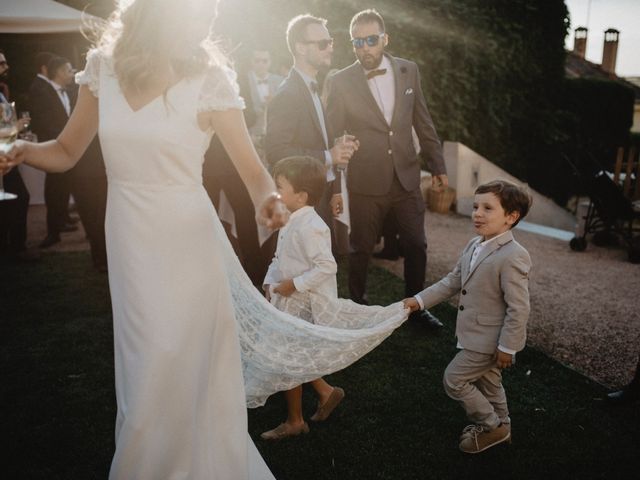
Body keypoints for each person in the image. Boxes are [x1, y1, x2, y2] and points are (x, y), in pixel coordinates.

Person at [1, 0, 408, 477]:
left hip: (189, 238)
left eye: (209, 17)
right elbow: (67, 151)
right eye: (196, 15)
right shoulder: (102, 69)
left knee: (184, 356)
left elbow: (254, 170)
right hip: (130, 235)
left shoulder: (210, 78)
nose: (205, 24)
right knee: (144, 364)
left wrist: (267, 200)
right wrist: (23, 149)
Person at [326, 9, 447, 330]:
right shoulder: (340, 81)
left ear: (384, 39)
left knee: (416, 244)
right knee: (361, 248)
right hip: (365, 180)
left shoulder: (409, 71)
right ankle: (356, 306)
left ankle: (416, 310)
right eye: (357, 42)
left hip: (406, 176)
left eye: (371, 40)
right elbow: (332, 135)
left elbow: (423, 119)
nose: (364, 48)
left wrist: (438, 165)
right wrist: (336, 184)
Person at [403, 180, 533, 454]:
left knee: (454, 380)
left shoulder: (513, 256)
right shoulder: (474, 244)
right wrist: (419, 301)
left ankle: (491, 425)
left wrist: (507, 346)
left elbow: (518, 307)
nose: (477, 213)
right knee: (489, 382)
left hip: (489, 341)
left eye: (487, 208)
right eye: (475, 207)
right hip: (472, 334)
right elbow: (452, 282)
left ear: (511, 217)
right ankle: (503, 426)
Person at [261, 156, 345, 440]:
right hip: (287, 298)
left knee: (289, 359)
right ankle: (325, 392)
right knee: (293, 354)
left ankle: (295, 421)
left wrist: (293, 285)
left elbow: (326, 266)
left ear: (301, 195)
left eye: (281, 187)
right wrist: (270, 280)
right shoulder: (291, 217)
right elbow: (280, 254)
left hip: (301, 301)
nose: (276, 193)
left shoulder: (311, 225)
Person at [265, 14, 358, 233]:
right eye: (323, 44)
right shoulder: (288, 94)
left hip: (320, 194)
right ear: (301, 48)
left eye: (330, 42)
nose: (330, 48)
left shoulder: (312, 88)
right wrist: (329, 156)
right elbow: (276, 152)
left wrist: (334, 189)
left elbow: (322, 142)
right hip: (300, 203)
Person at [30, 56, 78, 249]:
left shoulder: (68, 92)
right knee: (54, 188)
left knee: (64, 186)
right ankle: (52, 231)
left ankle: (61, 221)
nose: (72, 73)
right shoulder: (45, 92)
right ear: (58, 72)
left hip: (67, 148)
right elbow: (44, 122)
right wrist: (61, 142)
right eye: (68, 70)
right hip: (53, 147)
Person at [0, 49, 39, 263]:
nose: (6, 67)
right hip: (2, 153)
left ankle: (13, 246)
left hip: (5, 151)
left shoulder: (3, 90)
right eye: (1, 64)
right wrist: (15, 126)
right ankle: (15, 248)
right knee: (19, 198)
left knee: (15, 199)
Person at [244, 49, 283, 161]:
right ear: (252, 61)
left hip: (274, 135)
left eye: (265, 61)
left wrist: (274, 104)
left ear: (270, 62)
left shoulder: (280, 81)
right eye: (257, 60)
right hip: (250, 133)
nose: (261, 64)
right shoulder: (243, 81)